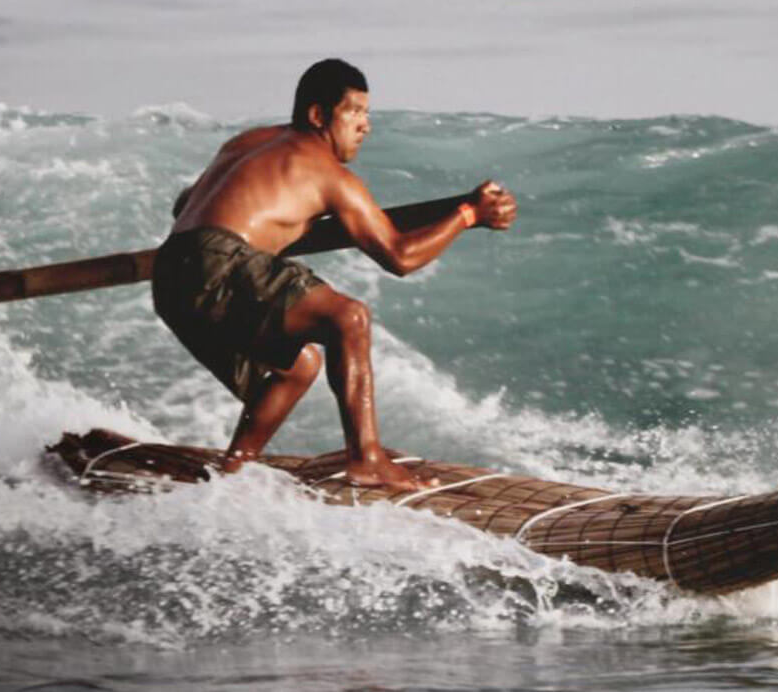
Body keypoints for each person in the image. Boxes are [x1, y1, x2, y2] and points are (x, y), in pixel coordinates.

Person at [154, 58, 517, 490]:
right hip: (222, 262)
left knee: (297, 366)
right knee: (349, 317)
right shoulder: (330, 176)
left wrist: (275, 221)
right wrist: (468, 213)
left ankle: (231, 473)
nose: (365, 126)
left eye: (367, 114)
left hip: (170, 273)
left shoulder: (247, 142)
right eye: (355, 112)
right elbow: (400, 256)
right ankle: (367, 459)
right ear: (317, 115)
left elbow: (184, 205)